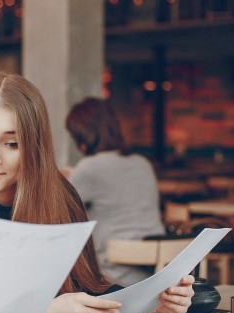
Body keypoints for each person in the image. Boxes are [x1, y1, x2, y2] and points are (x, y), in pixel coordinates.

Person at [0, 72, 193, 313]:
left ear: (34, 144)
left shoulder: (60, 195)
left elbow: (88, 288)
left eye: (12, 143)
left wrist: (152, 303)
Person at [65, 97, 166, 286]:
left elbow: (59, 205)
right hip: (155, 271)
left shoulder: (89, 168)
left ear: (84, 136)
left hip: (112, 276)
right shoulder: (142, 163)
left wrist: (69, 176)